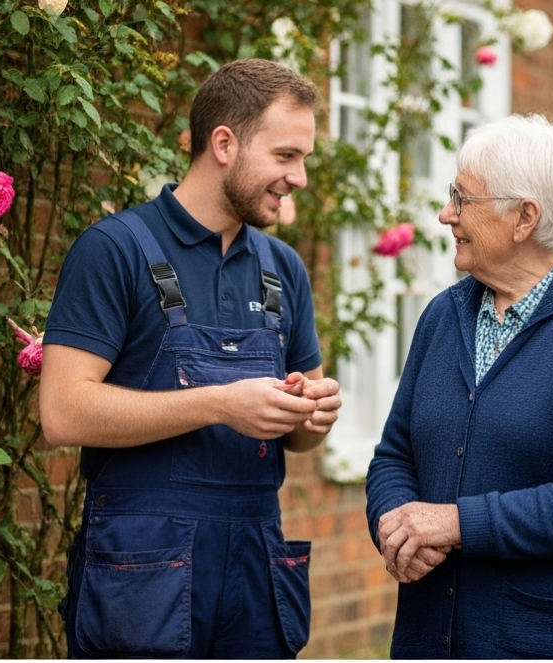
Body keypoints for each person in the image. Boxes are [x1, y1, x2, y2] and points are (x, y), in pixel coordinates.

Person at [40, 58, 341, 659]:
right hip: (142, 574)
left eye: (303, 158)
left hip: (257, 571)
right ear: (224, 143)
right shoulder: (115, 250)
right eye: (286, 156)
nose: (300, 177)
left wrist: (313, 417)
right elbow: (63, 414)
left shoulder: (284, 271)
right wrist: (220, 404)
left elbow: (301, 444)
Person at [365, 114, 553, 659]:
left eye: (463, 198)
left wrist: (458, 524)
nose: (445, 214)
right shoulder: (442, 315)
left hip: (550, 642)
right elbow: (394, 453)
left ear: (524, 217)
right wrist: (395, 525)